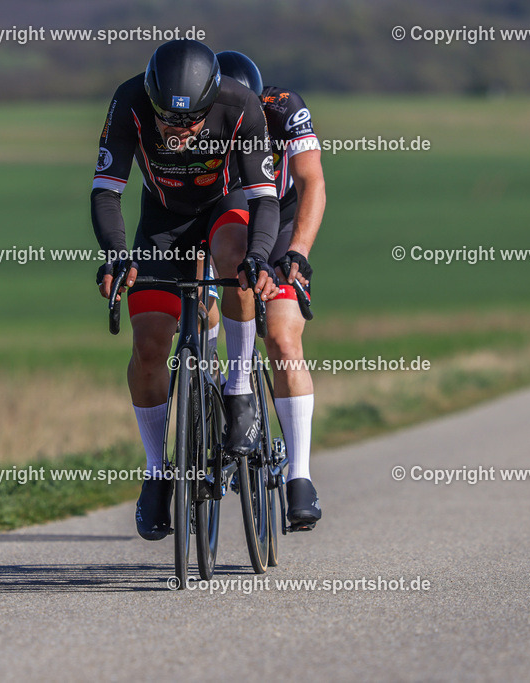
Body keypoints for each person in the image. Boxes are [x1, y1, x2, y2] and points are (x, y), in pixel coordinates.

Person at [91, 40, 280, 540]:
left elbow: (264, 199)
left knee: (237, 259)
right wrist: (115, 252)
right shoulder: (130, 100)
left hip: (225, 206)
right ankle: (157, 472)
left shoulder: (240, 105)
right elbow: (107, 190)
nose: (179, 133)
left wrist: (260, 257)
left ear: (212, 102)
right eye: (167, 122)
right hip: (162, 221)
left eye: (191, 122)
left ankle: (238, 390)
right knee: (150, 345)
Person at [215, 50, 326, 530]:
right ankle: (210, 393)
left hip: (277, 222)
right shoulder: (198, 121)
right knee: (196, 309)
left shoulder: (284, 107)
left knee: (282, 338)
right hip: (218, 218)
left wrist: (297, 252)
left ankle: (299, 475)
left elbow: (311, 181)